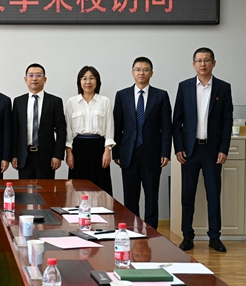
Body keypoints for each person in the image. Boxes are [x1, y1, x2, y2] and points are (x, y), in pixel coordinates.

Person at [173, 47, 233, 253]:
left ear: (214, 63)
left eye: (207, 60)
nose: (203, 64)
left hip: (212, 151)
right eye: (199, 60)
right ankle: (187, 236)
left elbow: (227, 121)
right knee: (187, 195)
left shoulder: (223, 88)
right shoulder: (184, 87)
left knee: (213, 194)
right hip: (189, 151)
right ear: (193, 65)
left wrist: (224, 148)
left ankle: (214, 237)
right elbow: (177, 120)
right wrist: (179, 147)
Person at [113, 57, 172, 229]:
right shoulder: (122, 95)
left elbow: (166, 127)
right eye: (138, 69)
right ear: (132, 73)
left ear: (151, 73)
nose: (141, 73)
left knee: (152, 197)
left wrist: (165, 152)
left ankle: (152, 233)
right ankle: (131, 231)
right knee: (130, 197)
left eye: (145, 69)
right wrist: (116, 152)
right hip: (128, 153)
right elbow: (117, 126)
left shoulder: (161, 95)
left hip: (152, 153)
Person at [65, 66, 115, 195]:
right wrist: (69, 152)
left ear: (97, 81)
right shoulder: (72, 102)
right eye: (84, 78)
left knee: (100, 186)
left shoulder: (105, 101)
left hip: (99, 148)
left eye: (92, 78)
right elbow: (68, 129)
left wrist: (107, 151)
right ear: (79, 81)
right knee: (77, 187)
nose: (88, 82)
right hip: (78, 149)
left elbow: (110, 127)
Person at [11, 63, 66, 179]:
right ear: (25, 79)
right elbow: (15, 131)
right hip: (24, 156)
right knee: (24, 189)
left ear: (45, 79)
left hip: (47, 156)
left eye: (38, 75)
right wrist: (14, 155)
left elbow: (61, 131)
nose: (34, 78)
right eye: (31, 75)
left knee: (46, 189)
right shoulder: (18, 102)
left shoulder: (55, 102)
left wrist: (57, 155)